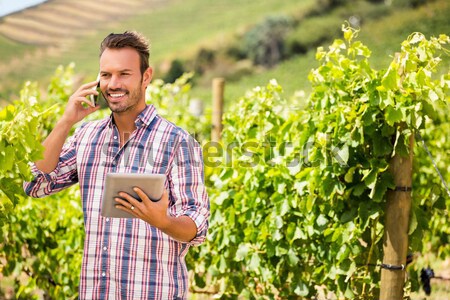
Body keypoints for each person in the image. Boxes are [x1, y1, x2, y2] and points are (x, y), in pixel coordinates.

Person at [23, 31, 210, 299]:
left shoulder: (178, 142)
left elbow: (197, 224)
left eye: (124, 74)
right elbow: (34, 183)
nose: (113, 84)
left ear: (146, 77)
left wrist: (163, 221)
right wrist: (66, 122)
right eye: (106, 75)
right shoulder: (86, 137)